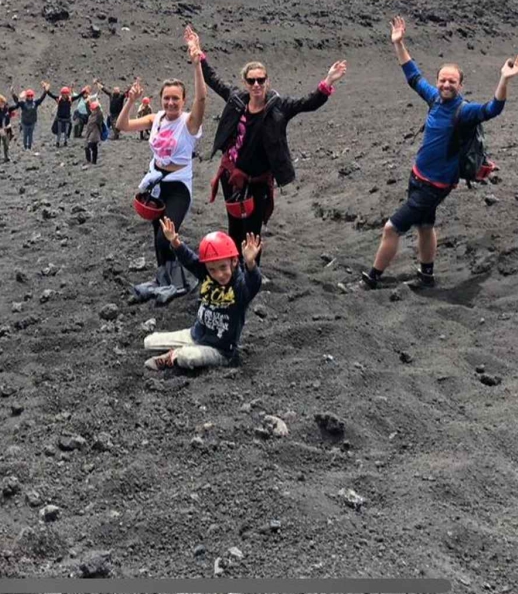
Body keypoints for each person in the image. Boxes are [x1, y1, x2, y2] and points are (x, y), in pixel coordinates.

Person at [362, 16, 518, 288]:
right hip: (418, 178)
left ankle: (372, 279)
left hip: (434, 185)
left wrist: (504, 79)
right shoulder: (434, 98)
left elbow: (492, 109)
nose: (446, 85)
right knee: (425, 226)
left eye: (452, 82)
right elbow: (413, 76)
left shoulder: (465, 111)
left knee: (392, 228)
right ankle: (427, 276)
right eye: (442, 80)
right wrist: (399, 43)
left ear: (460, 85)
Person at [186, 24, 347, 256]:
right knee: (234, 227)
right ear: (245, 83)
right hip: (232, 176)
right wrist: (196, 50)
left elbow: (307, 103)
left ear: (267, 81)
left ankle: (251, 271)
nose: (256, 85)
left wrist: (328, 81)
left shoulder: (278, 107)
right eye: (251, 81)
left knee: (252, 233)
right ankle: (234, 269)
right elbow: (213, 79)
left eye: (261, 80)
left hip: (258, 181)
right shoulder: (237, 100)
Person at [116, 43, 207, 301]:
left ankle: (178, 283)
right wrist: (130, 101)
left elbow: (202, 99)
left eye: (175, 98)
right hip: (156, 183)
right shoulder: (155, 119)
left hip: (178, 187)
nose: (170, 102)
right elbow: (121, 126)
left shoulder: (189, 122)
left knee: (165, 237)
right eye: (166, 98)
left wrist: (196, 63)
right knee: (157, 235)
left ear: (183, 100)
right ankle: (164, 280)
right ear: (161, 99)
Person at [143, 220, 263, 370]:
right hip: (196, 335)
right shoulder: (206, 275)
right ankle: (177, 352)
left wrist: (251, 263)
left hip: (220, 350)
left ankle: (172, 357)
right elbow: (190, 260)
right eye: (212, 269)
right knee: (149, 342)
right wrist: (174, 241)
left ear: (233, 261)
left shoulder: (240, 287)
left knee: (187, 357)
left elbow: (254, 283)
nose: (218, 274)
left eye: (223, 267)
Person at [42, 83, 82, 147]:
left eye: (66, 93)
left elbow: (78, 96)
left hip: (67, 118)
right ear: (61, 93)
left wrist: (84, 91)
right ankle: (57, 142)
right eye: (64, 93)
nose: (65, 94)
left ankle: (65, 142)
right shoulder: (58, 99)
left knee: (66, 131)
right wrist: (46, 89)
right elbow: (51, 95)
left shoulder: (70, 99)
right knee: (59, 131)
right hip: (59, 118)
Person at [83, 99, 107, 164]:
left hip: (94, 135)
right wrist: (87, 103)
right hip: (90, 134)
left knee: (89, 147)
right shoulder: (91, 116)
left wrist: (98, 106)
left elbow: (100, 115)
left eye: (93, 109)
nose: (92, 110)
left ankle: (91, 161)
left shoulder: (98, 116)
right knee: (92, 148)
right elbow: (88, 111)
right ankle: (92, 161)